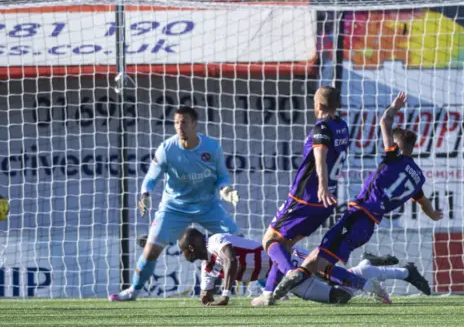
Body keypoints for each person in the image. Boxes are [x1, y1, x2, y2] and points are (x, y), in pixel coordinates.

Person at [272, 92, 443, 302]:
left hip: (358, 217)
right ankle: (283, 288)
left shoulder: (394, 158)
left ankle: (366, 285)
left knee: (317, 264)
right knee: (314, 262)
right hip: (367, 226)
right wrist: (435, 215)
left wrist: (395, 107)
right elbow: (426, 207)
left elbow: (384, 121)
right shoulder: (417, 178)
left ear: (397, 148)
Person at [256, 86, 377, 305]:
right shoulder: (342, 126)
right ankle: (268, 295)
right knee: (284, 246)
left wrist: (321, 186)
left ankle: (291, 273)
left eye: (314, 102)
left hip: (305, 198)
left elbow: (320, 155)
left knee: (269, 240)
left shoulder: (321, 127)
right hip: (324, 203)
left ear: (319, 106)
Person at [109, 106, 240, 302]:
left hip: (208, 206)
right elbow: (151, 178)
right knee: (151, 250)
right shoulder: (167, 149)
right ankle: (133, 291)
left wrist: (225, 190)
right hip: (174, 208)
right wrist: (145, 194)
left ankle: (268, 290)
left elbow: (222, 176)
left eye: (184, 122)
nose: (180, 127)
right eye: (177, 123)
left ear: (194, 124)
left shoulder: (212, 148)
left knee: (238, 245)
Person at [177, 228, 430, 307]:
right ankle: (367, 266)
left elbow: (230, 259)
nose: (183, 255)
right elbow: (204, 296)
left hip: (288, 261)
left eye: (182, 251)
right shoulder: (205, 267)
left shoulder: (215, 240)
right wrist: (206, 297)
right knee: (339, 297)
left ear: (190, 248)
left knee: (329, 272)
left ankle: (398, 272)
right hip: (278, 278)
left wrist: (225, 295)